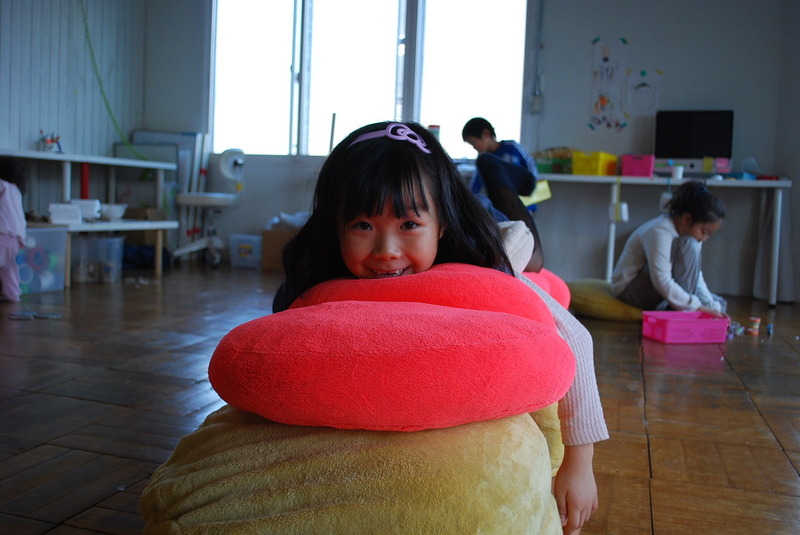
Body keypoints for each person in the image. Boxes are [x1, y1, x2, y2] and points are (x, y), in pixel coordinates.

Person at [274, 121, 609, 534]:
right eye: (363, 226)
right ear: (336, 226)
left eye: (408, 225)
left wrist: (579, 464)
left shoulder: (482, 268)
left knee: (528, 251)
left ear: (441, 225)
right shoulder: (316, 277)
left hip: (501, 236)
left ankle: (500, 181)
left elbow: (576, 337)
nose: (386, 251)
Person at [610, 179, 728, 317]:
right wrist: (697, 307)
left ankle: (680, 308)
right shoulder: (660, 232)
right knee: (690, 246)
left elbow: (695, 275)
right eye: (704, 232)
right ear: (687, 219)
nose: (704, 238)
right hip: (629, 288)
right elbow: (661, 280)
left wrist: (710, 305)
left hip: (655, 287)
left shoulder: (691, 236)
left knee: (718, 303)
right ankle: (679, 313)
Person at [462, 117, 544, 272]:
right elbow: (476, 184)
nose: (475, 148)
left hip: (524, 199)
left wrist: (533, 181)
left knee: (486, 162)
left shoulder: (511, 147)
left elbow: (530, 164)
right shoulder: (483, 160)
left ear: (486, 134)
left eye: (474, 143)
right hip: (501, 208)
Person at [0, 157, 27, 302]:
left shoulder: (2, 185)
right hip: (16, 239)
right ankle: (13, 294)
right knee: (9, 269)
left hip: (2, 234)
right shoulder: (16, 189)